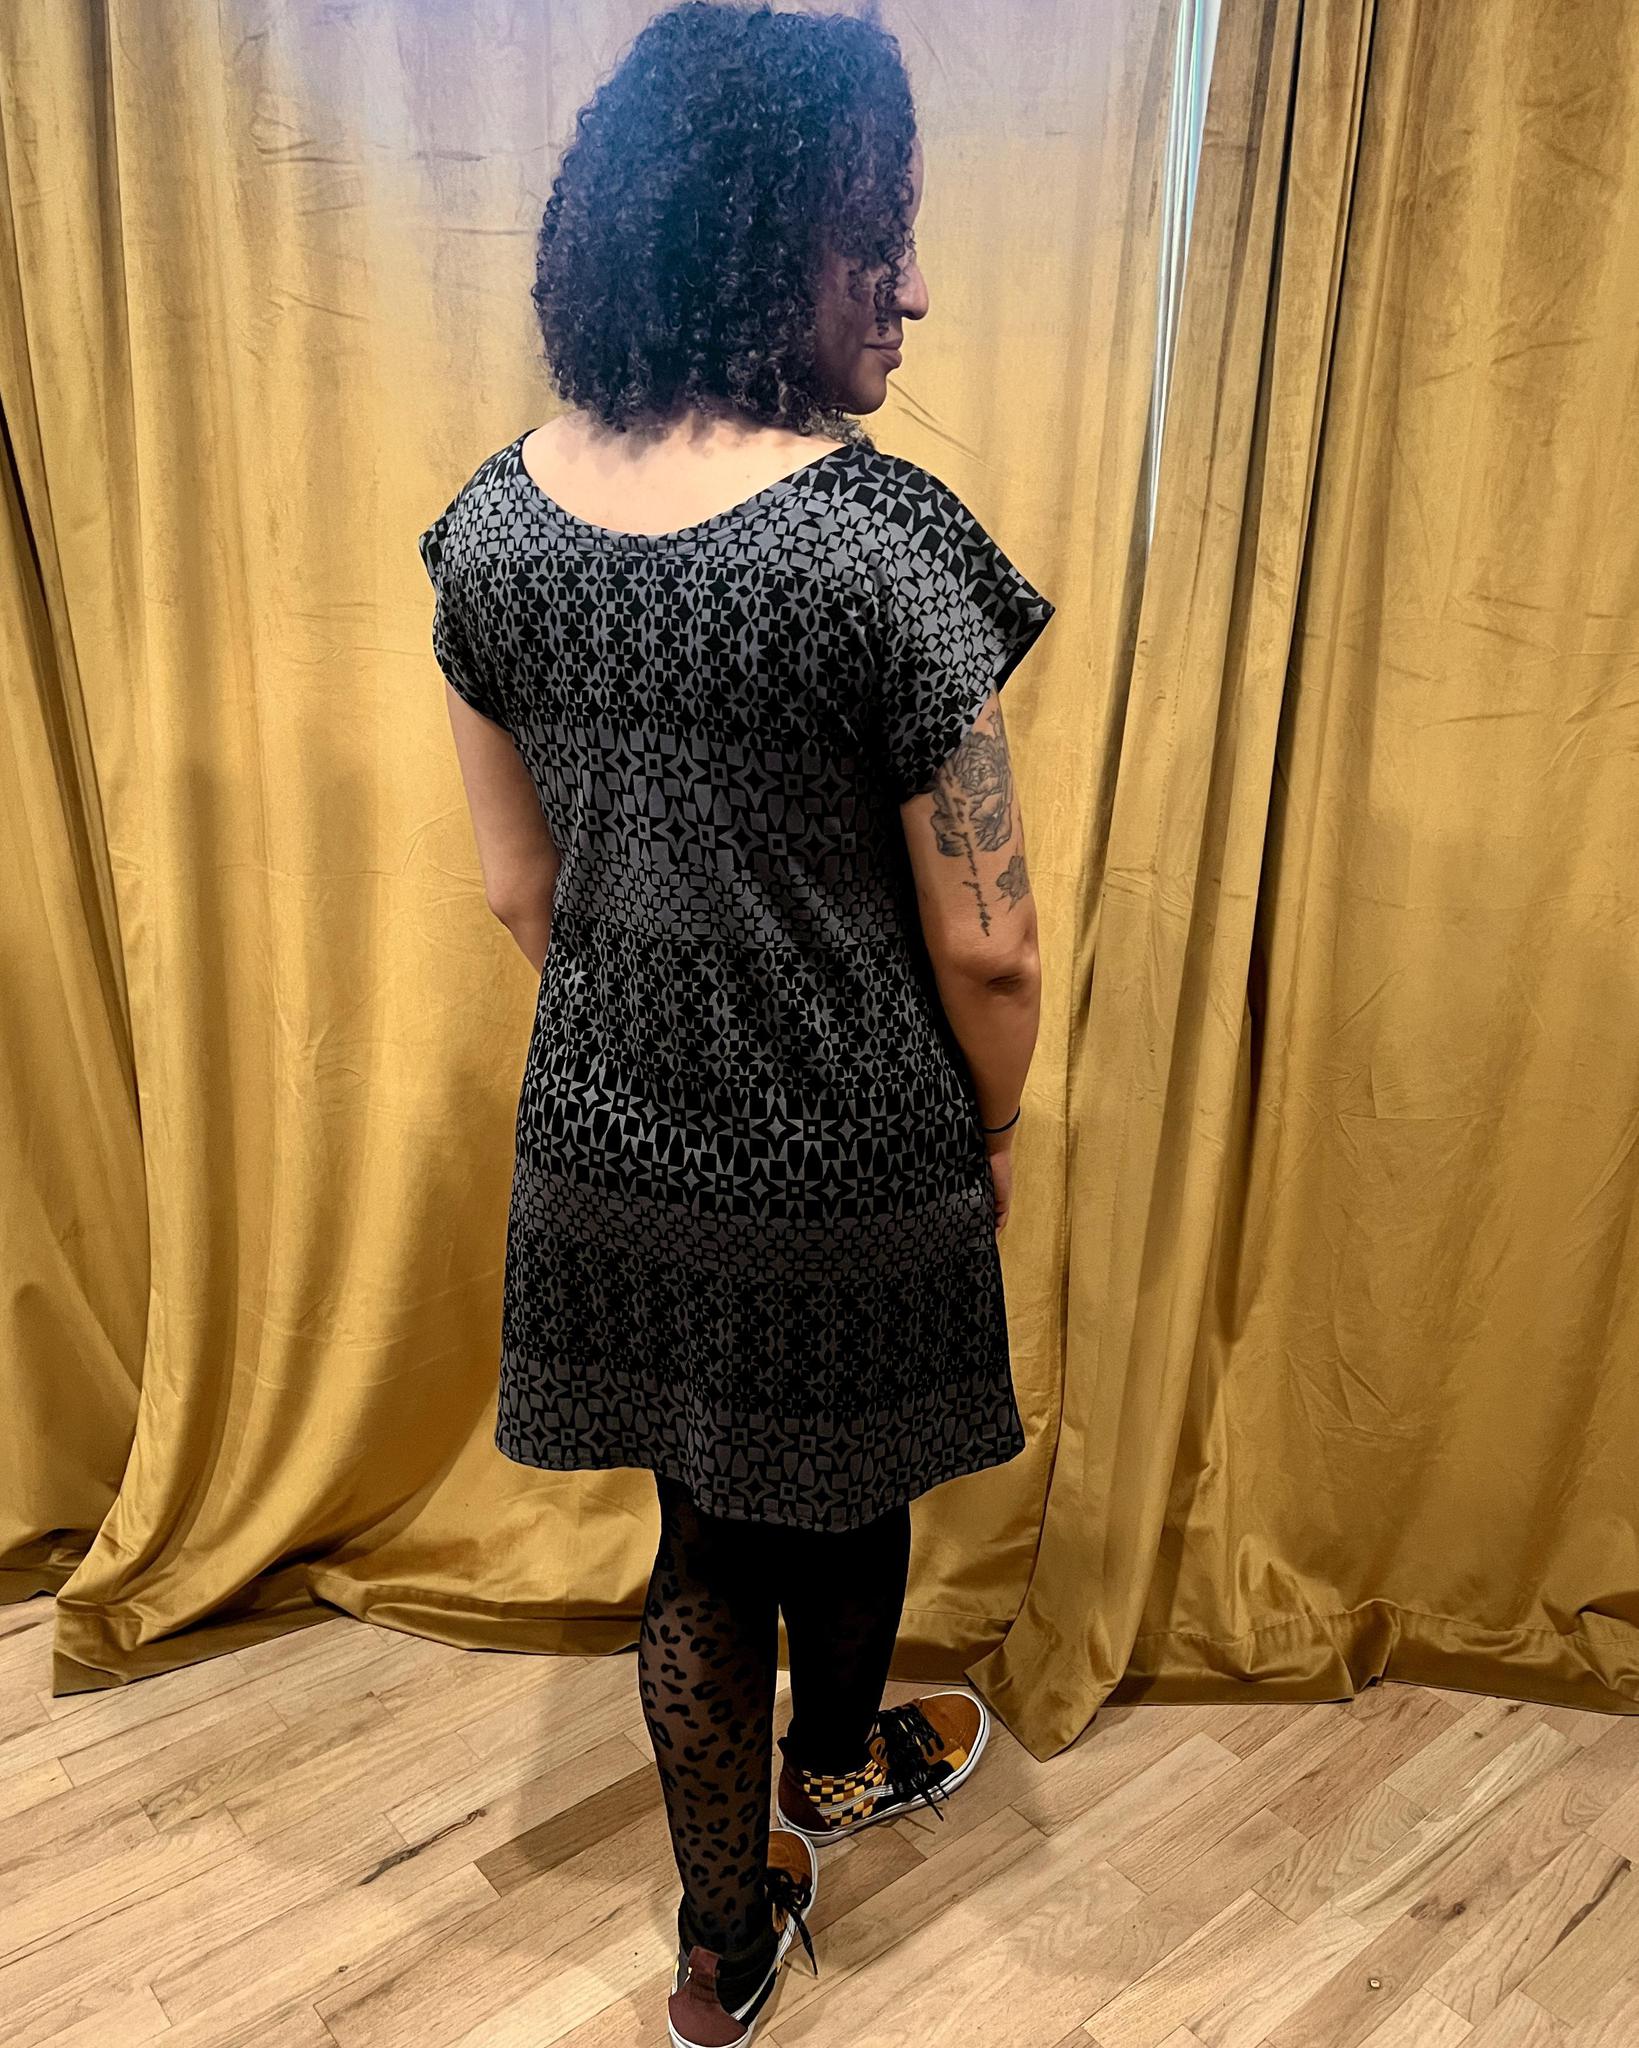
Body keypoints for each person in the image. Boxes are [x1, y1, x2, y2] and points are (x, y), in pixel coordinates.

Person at [415, 5, 1056, 2041]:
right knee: (849, 1481)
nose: (914, 291)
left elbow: (521, 891)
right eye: (881, 239)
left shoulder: (487, 532)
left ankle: (716, 1943)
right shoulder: (887, 544)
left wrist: (656, 1054)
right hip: (855, 1141)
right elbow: (992, 949)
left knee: (702, 1532)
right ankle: (836, 1767)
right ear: (764, 242)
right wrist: (992, 1126)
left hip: (609, 1141)